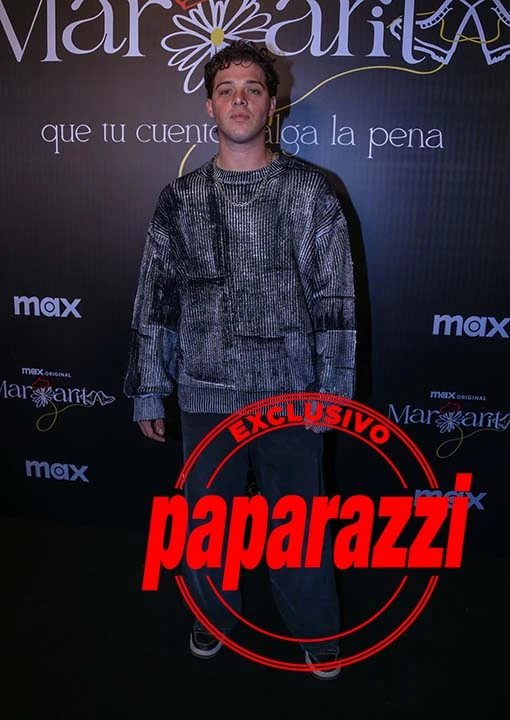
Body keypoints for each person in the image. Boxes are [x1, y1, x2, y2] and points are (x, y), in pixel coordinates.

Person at [123, 40, 356, 681]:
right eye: (226, 90)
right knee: (208, 526)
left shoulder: (312, 191)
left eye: (252, 88)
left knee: (298, 526)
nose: (239, 100)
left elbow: (336, 299)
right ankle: (212, 617)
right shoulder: (179, 199)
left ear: (272, 103)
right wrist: (148, 388)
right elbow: (155, 299)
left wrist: (334, 390)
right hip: (204, 392)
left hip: (292, 394)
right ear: (209, 106)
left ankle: (316, 631)